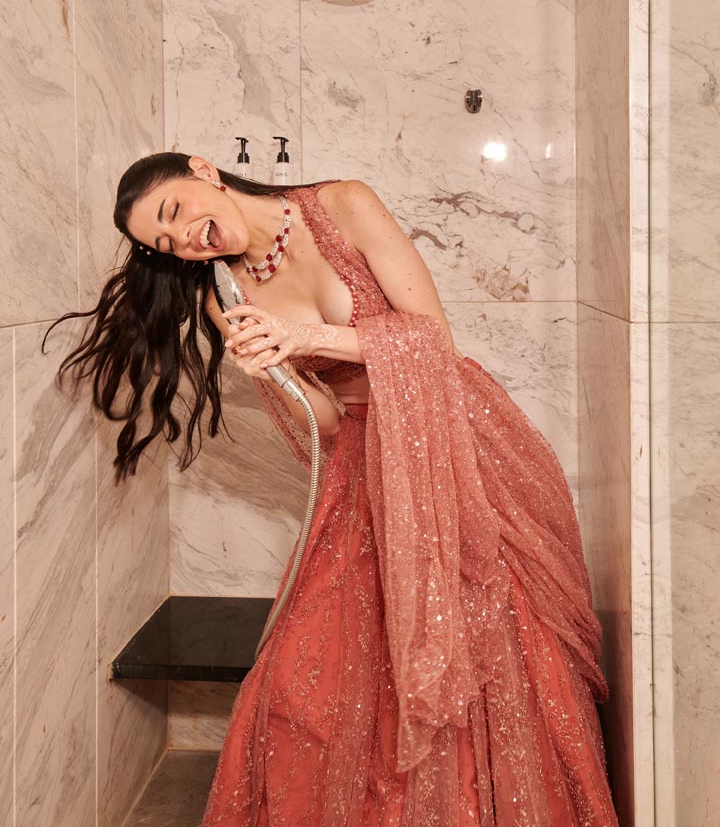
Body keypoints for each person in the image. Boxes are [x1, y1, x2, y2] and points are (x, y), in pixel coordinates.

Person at [51, 151, 619, 826]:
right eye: (167, 243)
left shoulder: (344, 204)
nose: (184, 239)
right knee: (308, 669)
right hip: (362, 461)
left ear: (203, 171)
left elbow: (434, 342)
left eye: (174, 212)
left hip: (450, 438)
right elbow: (323, 422)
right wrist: (278, 371)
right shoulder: (222, 298)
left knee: (493, 636)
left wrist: (303, 334)